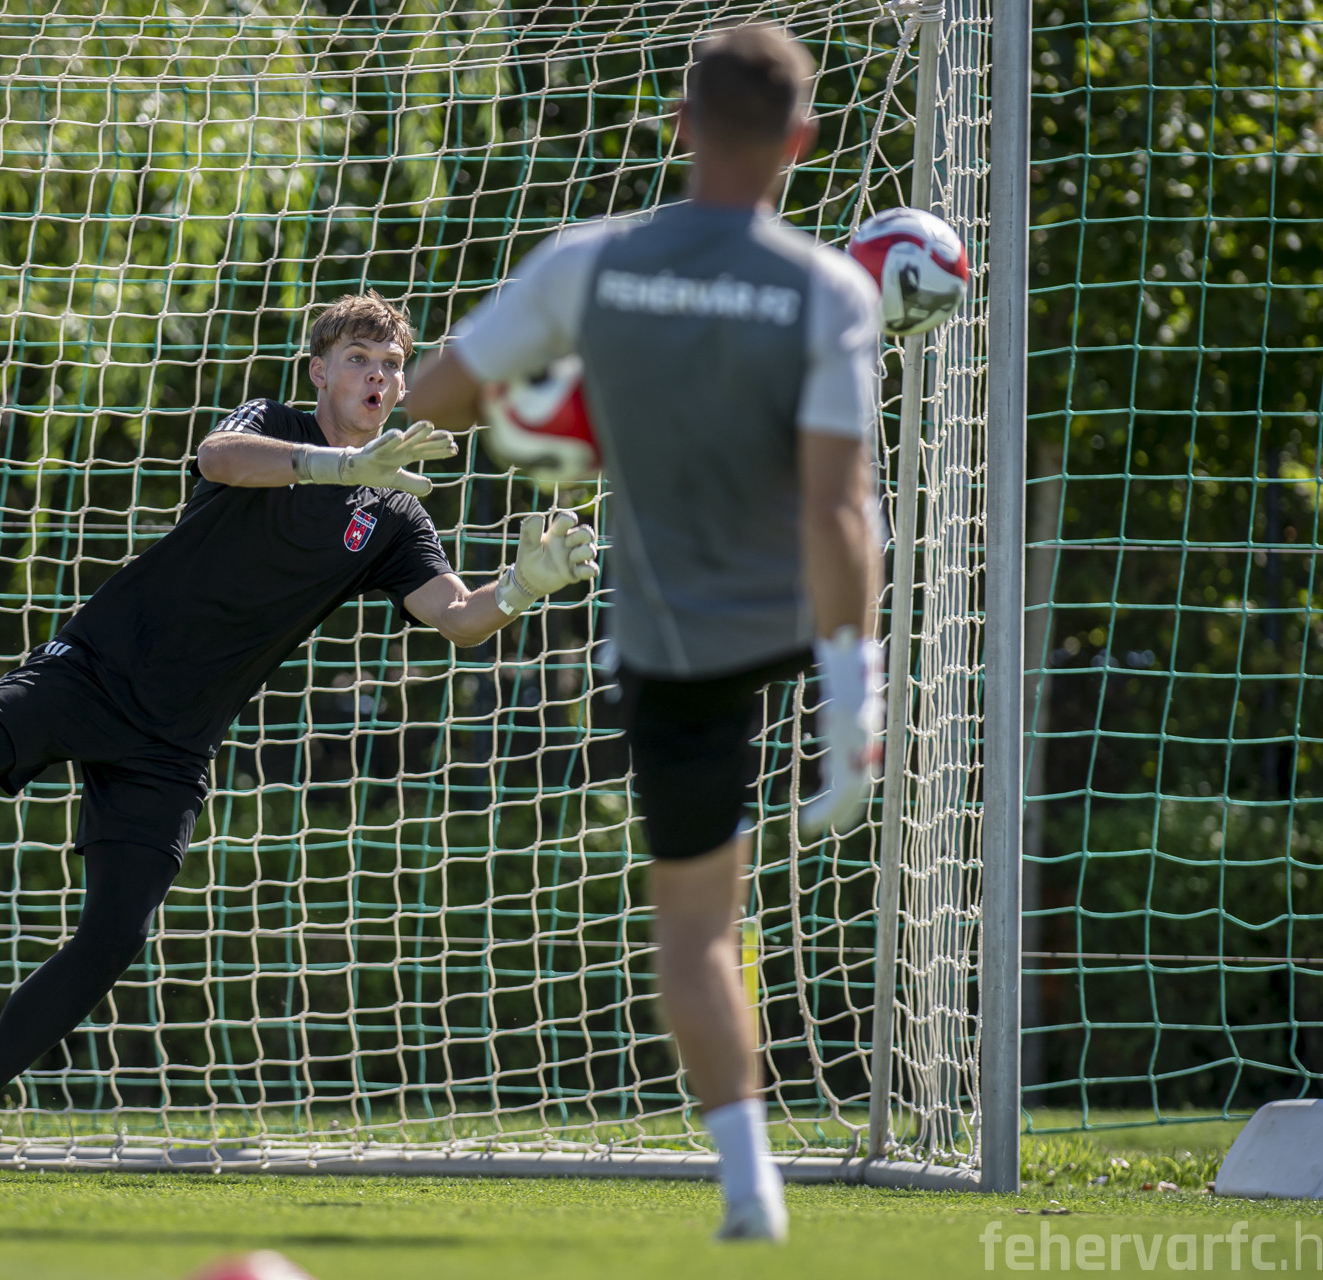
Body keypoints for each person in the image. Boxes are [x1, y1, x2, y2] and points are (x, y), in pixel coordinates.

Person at [0, 291, 598, 1179]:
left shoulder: (395, 511)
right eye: (359, 359)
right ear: (319, 372)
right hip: (94, 670)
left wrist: (520, 588)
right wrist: (337, 465)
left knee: (114, 937)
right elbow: (219, 458)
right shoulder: (272, 426)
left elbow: (458, 617)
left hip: (173, 742)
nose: (378, 377)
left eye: (391, 366)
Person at [402, 25, 886, 1244]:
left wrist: (549, 408)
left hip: (682, 649)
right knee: (725, 903)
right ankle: (854, 717)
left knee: (696, 927)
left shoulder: (589, 262)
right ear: (800, 141)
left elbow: (438, 396)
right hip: (797, 616)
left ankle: (752, 1183)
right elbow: (839, 507)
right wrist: (855, 686)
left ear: (679, 124)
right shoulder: (830, 289)